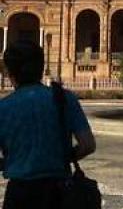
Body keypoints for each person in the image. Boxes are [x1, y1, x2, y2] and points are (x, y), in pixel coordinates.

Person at [0, 40, 96, 209]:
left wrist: (12, 162)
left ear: (9, 72)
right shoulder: (65, 98)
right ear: (41, 67)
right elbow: (87, 145)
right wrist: (60, 157)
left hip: (20, 192)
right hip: (59, 192)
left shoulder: (4, 107)